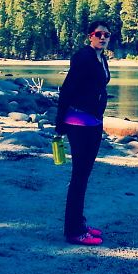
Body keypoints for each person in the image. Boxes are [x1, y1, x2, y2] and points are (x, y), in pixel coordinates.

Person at [55, 19, 112, 246]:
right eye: (99, 34)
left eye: (107, 34)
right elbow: (67, 89)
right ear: (90, 36)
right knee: (79, 177)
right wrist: (59, 125)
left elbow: (99, 88)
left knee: (84, 176)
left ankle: (79, 223)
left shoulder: (101, 58)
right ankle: (74, 231)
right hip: (78, 123)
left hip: (94, 122)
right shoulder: (83, 57)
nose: (103, 37)